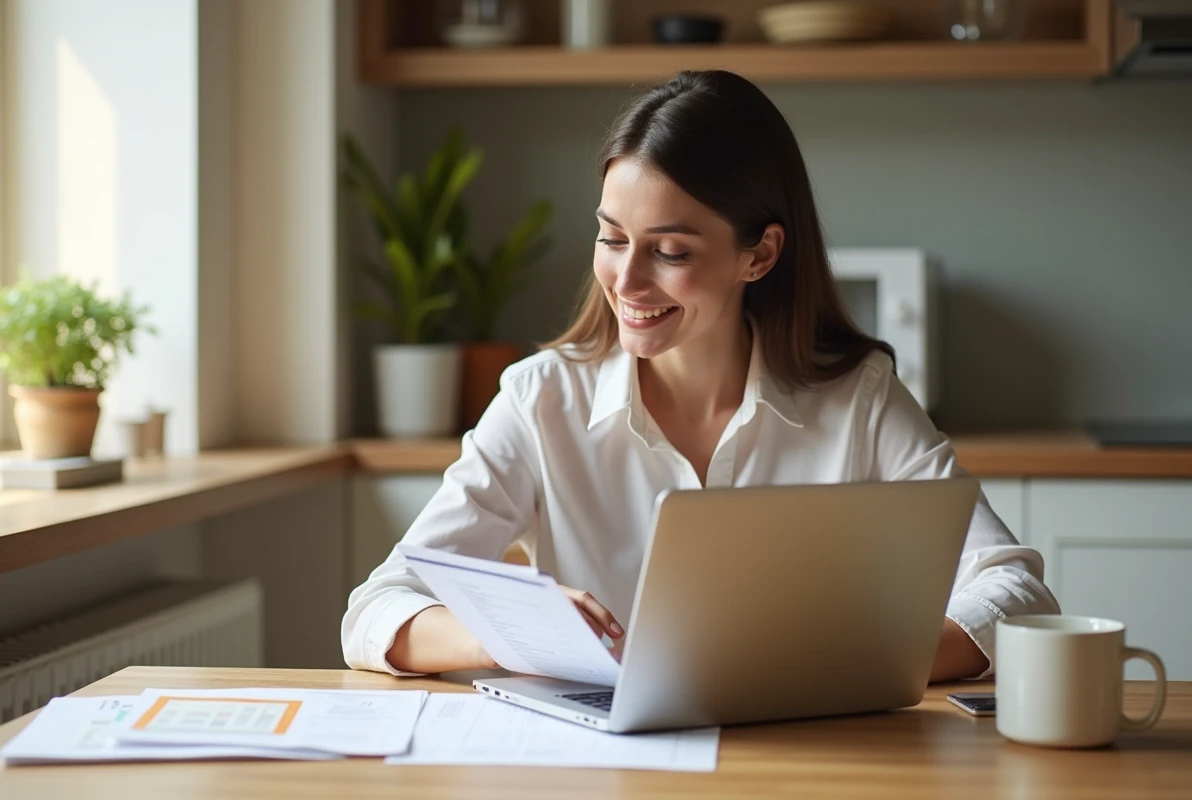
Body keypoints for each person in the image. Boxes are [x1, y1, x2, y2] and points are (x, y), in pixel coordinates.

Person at [342, 69, 1059, 683]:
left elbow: (1016, 590)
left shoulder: (860, 399)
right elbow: (376, 609)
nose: (626, 280)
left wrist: (835, 662)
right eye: (612, 238)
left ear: (760, 254)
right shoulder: (541, 400)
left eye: (671, 251)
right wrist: (507, 638)